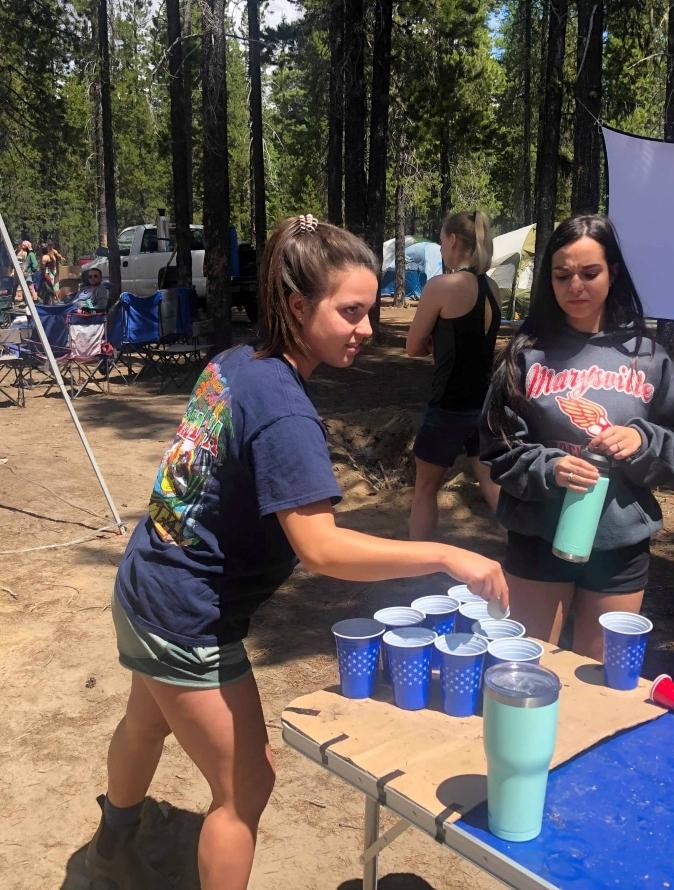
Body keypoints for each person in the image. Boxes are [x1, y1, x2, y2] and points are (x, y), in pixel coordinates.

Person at [84, 214, 508, 890]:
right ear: (296, 305)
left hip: (145, 584)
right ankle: (116, 849)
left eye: (369, 311)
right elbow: (322, 550)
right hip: (185, 617)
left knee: (146, 721)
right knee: (245, 789)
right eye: (351, 312)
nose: (367, 328)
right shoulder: (283, 408)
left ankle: (113, 845)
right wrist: (447, 556)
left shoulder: (237, 363)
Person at [480, 214, 674, 661]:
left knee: (601, 681)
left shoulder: (647, 356)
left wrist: (644, 441)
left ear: (612, 273)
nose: (575, 285)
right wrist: (550, 467)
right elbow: (498, 449)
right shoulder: (525, 355)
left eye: (589, 273)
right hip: (538, 536)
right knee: (527, 665)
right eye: (562, 275)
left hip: (619, 542)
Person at [405, 210, 501, 540]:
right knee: (492, 484)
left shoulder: (442, 286)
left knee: (425, 489)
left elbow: (413, 346)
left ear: (451, 240)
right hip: (484, 404)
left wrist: (436, 343)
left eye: (441, 241)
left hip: (448, 405)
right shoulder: (493, 289)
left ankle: (418, 564)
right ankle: (527, 560)